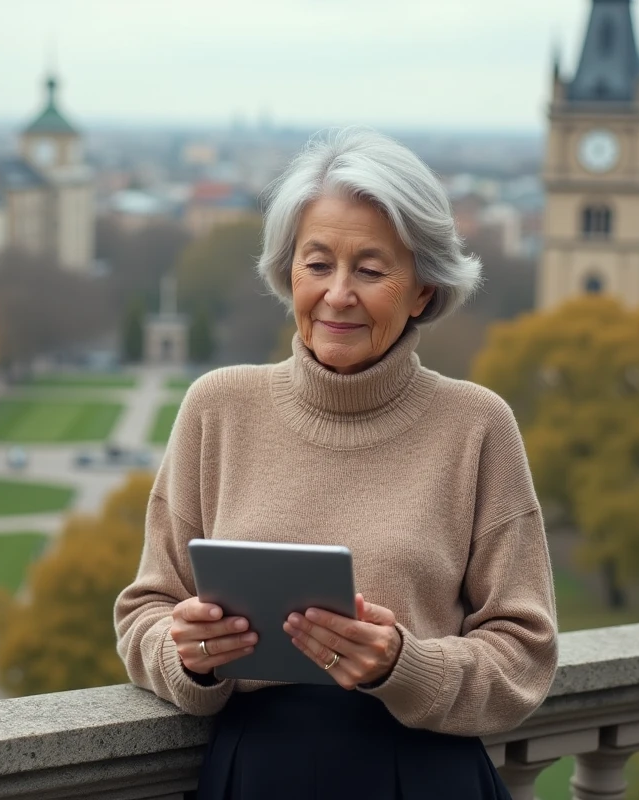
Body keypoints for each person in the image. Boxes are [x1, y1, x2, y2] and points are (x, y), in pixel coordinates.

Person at [114, 127, 558, 799]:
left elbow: (525, 655)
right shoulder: (218, 407)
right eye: (317, 263)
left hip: (423, 776)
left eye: (371, 270)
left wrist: (406, 665)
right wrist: (188, 656)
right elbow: (145, 607)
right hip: (254, 776)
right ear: (287, 271)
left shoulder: (477, 425)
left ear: (423, 291)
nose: (338, 294)